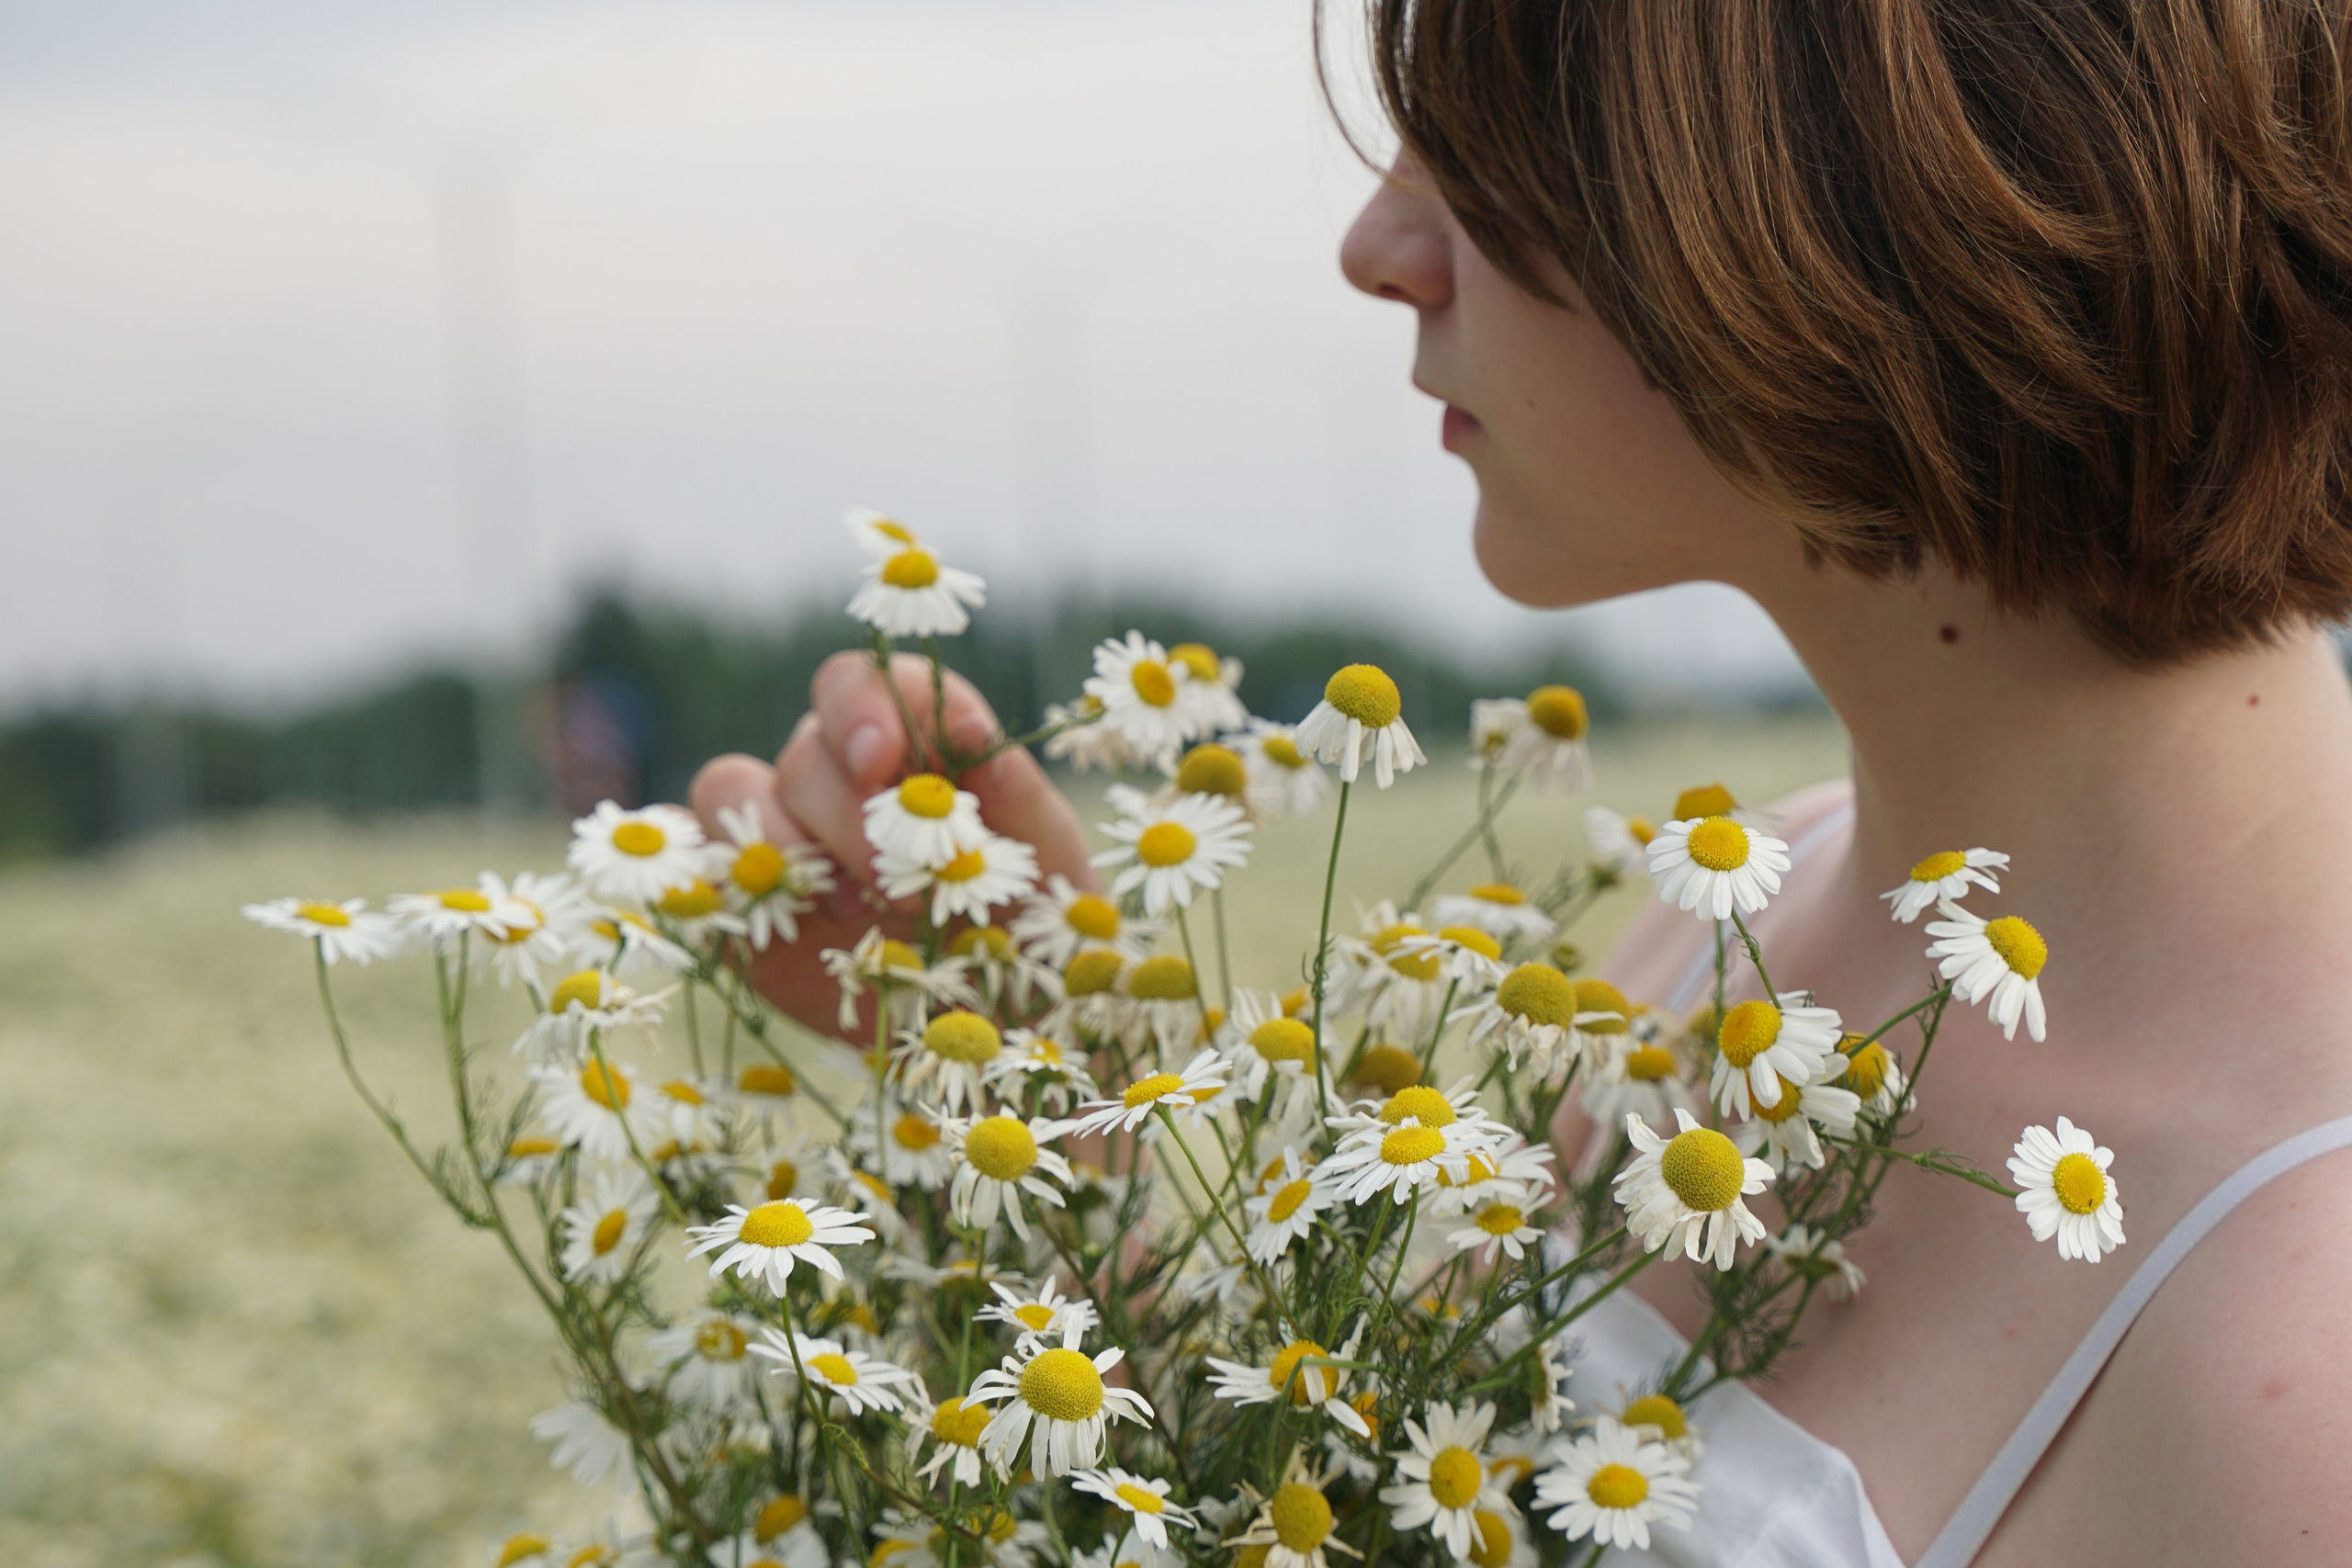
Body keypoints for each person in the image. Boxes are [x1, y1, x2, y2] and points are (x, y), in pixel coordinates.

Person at [693, 3, 2352, 1561]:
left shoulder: (2301, 1356)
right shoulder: (1720, 930)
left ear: (1862, 183)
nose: (1380, 250)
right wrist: (1037, 1065)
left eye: (1490, 146)